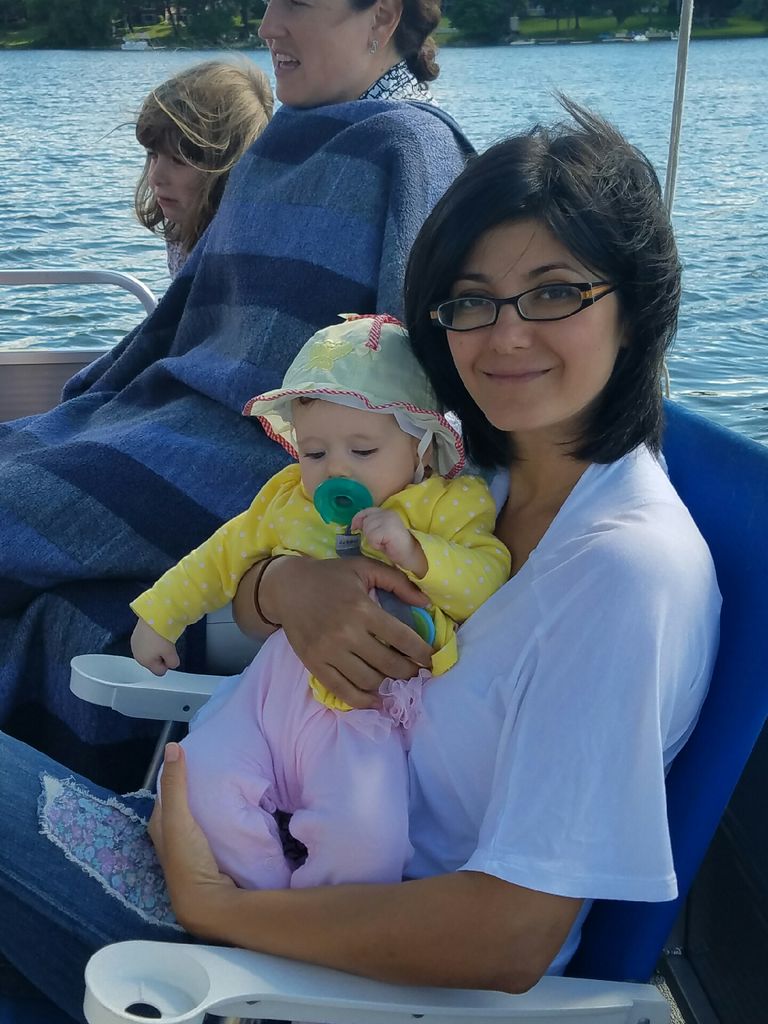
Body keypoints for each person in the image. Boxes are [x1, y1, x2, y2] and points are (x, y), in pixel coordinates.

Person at [0, 102, 720, 1022]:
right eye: (470, 300)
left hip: (301, 965)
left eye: (554, 292)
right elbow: (265, 577)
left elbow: (510, 937)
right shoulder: (470, 472)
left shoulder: (623, 573)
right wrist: (285, 588)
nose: (505, 336)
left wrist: (217, 909)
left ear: (637, 303)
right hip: (250, 829)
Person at [0, 0, 473, 791]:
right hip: (166, 422)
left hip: (262, 460)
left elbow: (423, 381)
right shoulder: (277, 144)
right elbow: (182, 318)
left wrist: (366, 531)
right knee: (26, 488)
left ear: (382, 17)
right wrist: (90, 403)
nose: (267, 26)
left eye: (296, 3)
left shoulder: (410, 149)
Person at [129, 313, 510, 890]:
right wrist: (160, 616)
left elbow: (488, 580)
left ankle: (310, 914)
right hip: (267, 695)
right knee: (195, 785)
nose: (335, 470)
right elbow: (219, 556)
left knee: (367, 841)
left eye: (363, 450)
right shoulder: (287, 501)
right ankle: (261, 891)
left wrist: (418, 552)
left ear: (424, 447)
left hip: (362, 712)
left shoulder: (446, 506)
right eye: (313, 453)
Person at [133, 60, 274, 278]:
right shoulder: (182, 229)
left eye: (178, 161)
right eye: (153, 155)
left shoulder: (244, 257)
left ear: (228, 170)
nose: (155, 177)